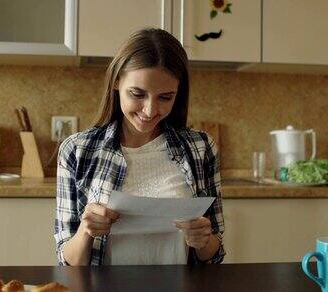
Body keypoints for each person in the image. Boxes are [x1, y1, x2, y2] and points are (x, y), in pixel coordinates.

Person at [54, 28, 225, 266]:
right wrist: (85, 231)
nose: (150, 110)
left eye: (165, 97)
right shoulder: (77, 150)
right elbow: (68, 263)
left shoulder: (201, 147)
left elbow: (214, 255)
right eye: (137, 94)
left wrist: (204, 240)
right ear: (116, 81)